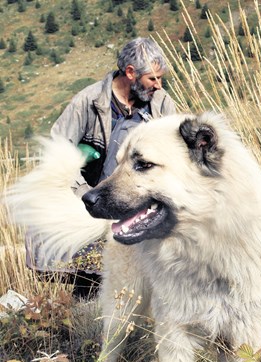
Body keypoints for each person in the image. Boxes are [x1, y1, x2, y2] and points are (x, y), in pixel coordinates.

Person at [28, 37, 177, 297]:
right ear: (130, 73)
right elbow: (57, 148)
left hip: (136, 202)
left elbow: (174, 154)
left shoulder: (161, 104)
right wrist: (81, 192)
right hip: (90, 201)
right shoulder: (87, 102)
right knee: (89, 283)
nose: (159, 85)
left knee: (140, 280)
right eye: (153, 79)